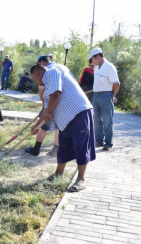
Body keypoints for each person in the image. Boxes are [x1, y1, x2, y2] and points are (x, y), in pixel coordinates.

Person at [30, 63, 95, 192]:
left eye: (34, 79)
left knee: (80, 146)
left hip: (79, 113)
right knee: (63, 147)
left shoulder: (52, 73)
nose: (36, 82)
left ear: (37, 72)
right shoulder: (48, 85)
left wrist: (48, 112)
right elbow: (46, 109)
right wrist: (36, 126)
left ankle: (81, 179)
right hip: (65, 120)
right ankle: (58, 174)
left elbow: (56, 95)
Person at [25, 55, 60, 157]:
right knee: (59, 128)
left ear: (42, 63)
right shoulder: (58, 67)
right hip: (59, 103)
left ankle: (36, 149)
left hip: (52, 103)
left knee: (44, 126)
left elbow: (42, 91)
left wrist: (46, 109)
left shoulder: (48, 71)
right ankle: (55, 150)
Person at [89, 48, 120, 151]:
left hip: (106, 95)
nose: (92, 62)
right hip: (96, 95)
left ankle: (108, 143)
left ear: (98, 56)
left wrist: (112, 95)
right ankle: (99, 140)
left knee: (107, 120)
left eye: (92, 59)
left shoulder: (109, 67)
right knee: (96, 119)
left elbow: (116, 84)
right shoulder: (97, 67)